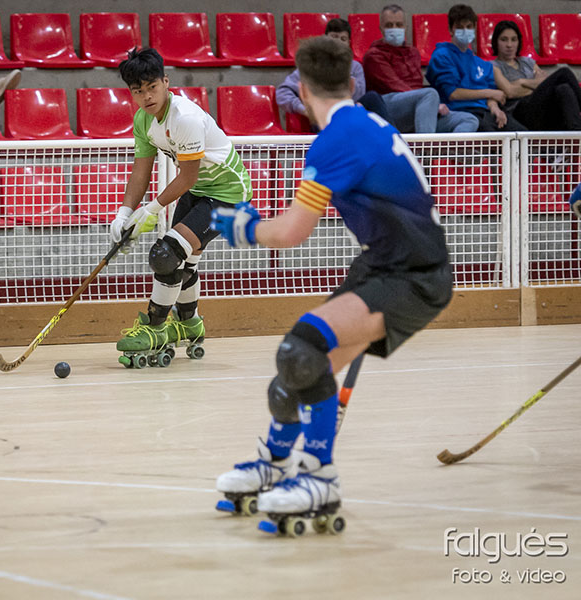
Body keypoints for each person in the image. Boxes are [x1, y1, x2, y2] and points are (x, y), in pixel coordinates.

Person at [210, 36, 453, 529]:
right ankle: (275, 464)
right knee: (295, 375)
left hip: (412, 275)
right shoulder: (367, 122)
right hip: (386, 264)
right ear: (351, 82)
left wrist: (244, 228)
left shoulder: (337, 138)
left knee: (300, 351)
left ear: (301, 88)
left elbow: (291, 233)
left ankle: (319, 476)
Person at [110, 48, 253, 368]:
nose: (146, 96)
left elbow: (187, 176)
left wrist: (150, 210)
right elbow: (141, 171)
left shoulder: (184, 118)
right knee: (181, 261)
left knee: (165, 254)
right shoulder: (143, 120)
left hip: (229, 195)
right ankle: (189, 324)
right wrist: (124, 213)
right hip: (198, 191)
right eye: (138, 91)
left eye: (152, 87)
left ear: (166, 82)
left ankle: (154, 328)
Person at [363, 4, 478, 133]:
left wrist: (430, 104)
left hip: (419, 105)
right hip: (388, 107)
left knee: (469, 119)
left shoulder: (413, 52)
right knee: (429, 94)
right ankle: (425, 145)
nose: (395, 29)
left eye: (399, 25)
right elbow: (395, 85)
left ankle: (440, 146)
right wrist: (432, 102)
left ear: (405, 27)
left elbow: (417, 86)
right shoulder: (373, 55)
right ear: (381, 28)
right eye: (389, 25)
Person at [277, 18, 392, 131]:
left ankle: (393, 136)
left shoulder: (355, 67)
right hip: (323, 116)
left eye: (343, 39)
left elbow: (359, 96)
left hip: (350, 112)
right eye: (334, 37)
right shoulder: (312, 66)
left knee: (372, 97)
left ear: (348, 43)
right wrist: (304, 109)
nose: (338, 42)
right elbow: (282, 92)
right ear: (325, 39)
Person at [426, 4, 525, 132]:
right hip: (460, 112)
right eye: (460, 27)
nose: (465, 31)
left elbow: (491, 94)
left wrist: (495, 108)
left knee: (522, 133)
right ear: (451, 30)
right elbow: (452, 94)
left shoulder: (481, 63)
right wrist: (489, 93)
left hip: (486, 112)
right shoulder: (442, 55)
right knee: (491, 137)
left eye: (469, 27)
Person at [491, 20, 581, 131]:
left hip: (541, 109)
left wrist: (522, 82)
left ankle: (577, 132)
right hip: (518, 111)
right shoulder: (493, 66)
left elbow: (545, 82)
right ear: (496, 42)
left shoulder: (528, 62)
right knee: (563, 73)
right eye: (504, 40)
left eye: (514, 40)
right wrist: (536, 85)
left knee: (563, 88)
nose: (509, 45)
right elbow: (510, 92)